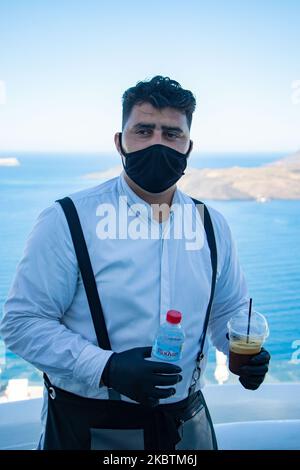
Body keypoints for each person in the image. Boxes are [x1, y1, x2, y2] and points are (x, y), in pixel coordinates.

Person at [0, 76, 270, 450]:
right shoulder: (68, 219)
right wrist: (107, 368)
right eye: (144, 130)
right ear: (119, 142)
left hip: (188, 424)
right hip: (91, 424)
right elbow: (21, 322)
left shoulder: (212, 225)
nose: (158, 143)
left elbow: (229, 309)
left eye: (172, 134)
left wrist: (240, 347)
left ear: (188, 147)